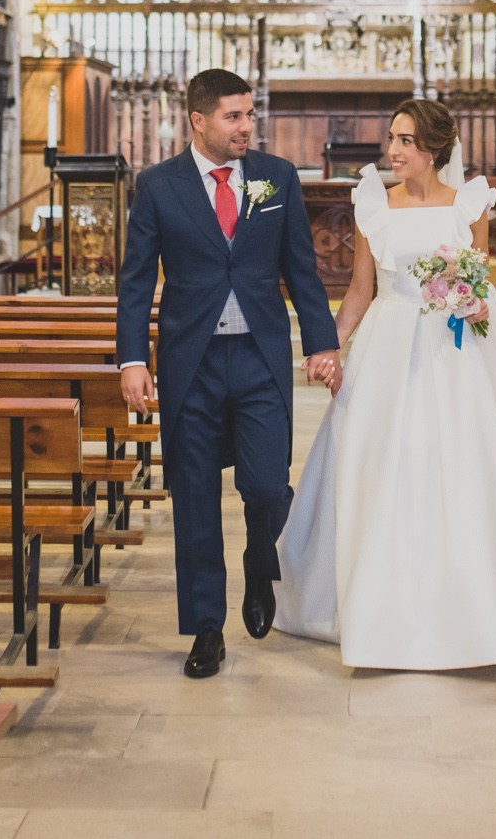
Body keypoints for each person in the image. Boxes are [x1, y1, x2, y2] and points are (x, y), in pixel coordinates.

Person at [274, 99, 496, 669]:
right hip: (388, 346)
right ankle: (373, 603)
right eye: (392, 139)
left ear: (433, 149)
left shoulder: (468, 203)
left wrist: (468, 296)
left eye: (405, 141)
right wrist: (329, 345)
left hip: (454, 353)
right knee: (381, 465)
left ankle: (470, 610)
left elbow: (478, 278)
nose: (393, 151)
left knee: (458, 466)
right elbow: (361, 290)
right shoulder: (373, 206)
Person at [116, 68, 343, 679]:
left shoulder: (276, 178)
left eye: (250, 115)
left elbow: (302, 270)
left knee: (269, 485)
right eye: (234, 117)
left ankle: (259, 558)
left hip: (259, 357)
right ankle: (207, 628)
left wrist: (322, 343)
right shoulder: (159, 187)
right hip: (191, 362)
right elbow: (137, 281)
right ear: (199, 120)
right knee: (193, 499)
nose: (248, 127)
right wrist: (133, 358)